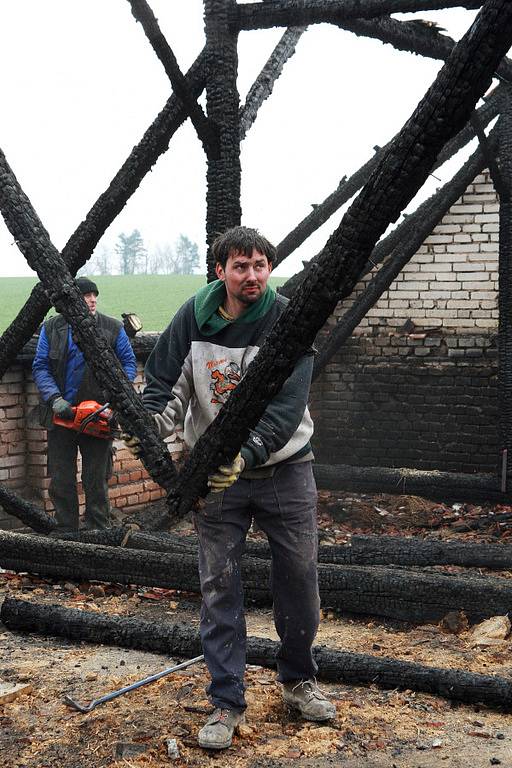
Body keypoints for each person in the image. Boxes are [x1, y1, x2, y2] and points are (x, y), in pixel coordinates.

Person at [133, 226, 335, 750]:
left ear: (270, 269)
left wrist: (245, 454)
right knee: (218, 584)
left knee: (299, 574)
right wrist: (149, 425)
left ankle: (297, 679)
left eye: (260, 265)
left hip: (285, 467)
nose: (252, 276)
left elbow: (287, 408)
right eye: (240, 266)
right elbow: (164, 386)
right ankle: (226, 701)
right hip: (215, 475)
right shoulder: (191, 319)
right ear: (220, 270)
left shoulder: (289, 317)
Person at [33, 276, 137, 532]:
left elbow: (129, 365)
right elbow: (41, 366)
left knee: (96, 478)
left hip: (98, 417)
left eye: (94, 296)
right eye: (86, 296)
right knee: (60, 478)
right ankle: (66, 529)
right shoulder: (51, 328)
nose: (92, 300)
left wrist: (114, 402)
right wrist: (54, 398)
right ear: (72, 301)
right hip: (61, 415)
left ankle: (97, 529)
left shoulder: (112, 327)